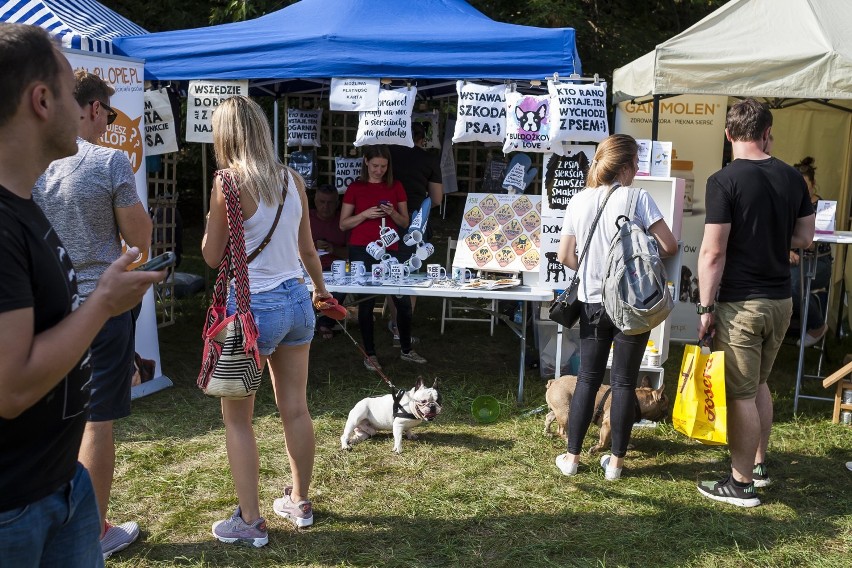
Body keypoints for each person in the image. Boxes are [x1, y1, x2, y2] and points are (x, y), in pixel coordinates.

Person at [0, 23, 164, 566]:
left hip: (57, 483)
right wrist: (104, 302)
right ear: (42, 100)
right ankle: (101, 518)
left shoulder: (28, 196)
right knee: (102, 419)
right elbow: (13, 386)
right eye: (74, 94)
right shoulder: (6, 221)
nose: (90, 111)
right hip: (18, 506)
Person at [33, 69, 153, 560]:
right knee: (96, 421)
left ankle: (52, 522)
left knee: (47, 420)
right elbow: (140, 239)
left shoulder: (32, 163)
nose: (107, 123)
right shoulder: (108, 162)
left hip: (42, 307)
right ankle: (95, 531)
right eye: (107, 113)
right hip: (99, 308)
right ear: (96, 108)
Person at [202, 95, 331, 546]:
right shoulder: (292, 178)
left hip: (253, 307)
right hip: (297, 298)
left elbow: (211, 255)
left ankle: (251, 520)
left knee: (238, 420)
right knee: (295, 407)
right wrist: (321, 290)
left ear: (225, 136)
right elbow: (308, 250)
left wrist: (208, 222)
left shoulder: (228, 183)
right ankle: (299, 499)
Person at [696, 99, 814, 507]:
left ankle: (741, 482)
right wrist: (771, 237)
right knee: (758, 383)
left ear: (728, 134)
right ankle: (759, 465)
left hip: (741, 304)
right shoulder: (793, 178)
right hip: (781, 299)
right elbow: (804, 239)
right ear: (767, 132)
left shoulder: (723, 180)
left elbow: (713, 252)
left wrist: (704, 307)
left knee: (742, 393)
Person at [554, 134, 678, 480]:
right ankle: (616, 464)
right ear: (624, 167)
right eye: (636, 163)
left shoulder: (578, 200)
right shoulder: (638, 198)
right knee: (623, 382)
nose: (638, 169)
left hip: (592, 301)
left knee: (589, 380)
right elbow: (669, 244)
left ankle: (572, 457)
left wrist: (596, 270)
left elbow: (565, 255)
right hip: (632, 304)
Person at [340, 145, 427, 370]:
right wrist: (365, 214)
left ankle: (406, 348)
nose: (379, 170)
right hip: (361, 248)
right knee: (366, 304)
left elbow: (405, 223)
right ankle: (370, 354)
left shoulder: (395, 186)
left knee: (402, 300)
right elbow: (343, 224)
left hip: (390, 249)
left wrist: (392, 213)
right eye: (375, 165)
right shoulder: (356, 188)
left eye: (383, 166)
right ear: (366, 163)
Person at [386, 123, 442, 344]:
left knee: (392, 271)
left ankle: (394, 322)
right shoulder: (428, 160)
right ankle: (401, 330)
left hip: (388, 218)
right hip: (417, 220)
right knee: (411, 274)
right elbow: (437, 199)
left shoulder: (388, 154)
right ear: (422, 139)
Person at [789, 156, 831, 347]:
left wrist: (788, 243)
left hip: (818, 263)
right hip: (791, 260)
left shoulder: (823, 209)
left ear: (813, 185)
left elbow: (812, 244)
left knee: (796, 284)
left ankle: (817, 326)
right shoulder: (788, 204)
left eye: (804, 185)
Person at [309, 183, 348, 339]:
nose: (325, 207)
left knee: (342, 287)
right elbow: (291, 247)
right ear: (315, 201)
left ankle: (326, 321)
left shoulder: (343, 221)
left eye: (330, 202)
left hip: (336, 270)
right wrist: (312, 247)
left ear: (338, 204)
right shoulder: (306, 219)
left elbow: (352, 252)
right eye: (321, 202)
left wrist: (333, 249)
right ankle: (309, 322)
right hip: (310, 269)